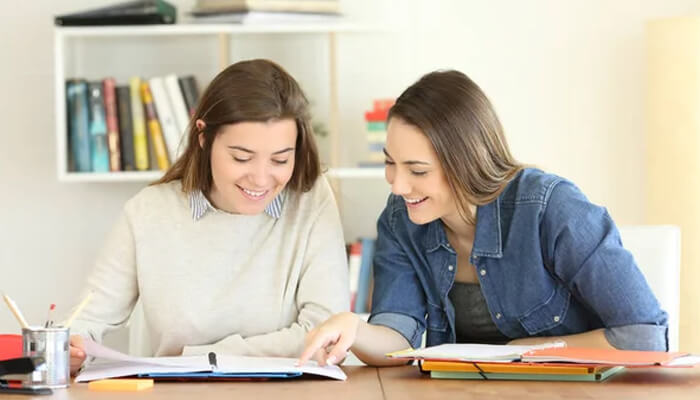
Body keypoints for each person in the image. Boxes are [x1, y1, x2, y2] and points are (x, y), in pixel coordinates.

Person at [298, 69, 668, 367]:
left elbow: (645, 337)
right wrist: (354, 328)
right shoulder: (401, 221)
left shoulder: (550, 207)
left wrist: (526, 351)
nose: (398, 186)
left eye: (418, 170)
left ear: (466, 163)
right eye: (390, 163)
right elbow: (397, 340)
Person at [68, 59, 349, 374]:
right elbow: (87, 319)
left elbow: (325, 332)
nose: (261, 178)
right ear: (203, 137)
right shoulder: (148, 212)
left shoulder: (311, 201)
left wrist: (200, 358)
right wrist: (71, 346)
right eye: (241, 157)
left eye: (280, 159)